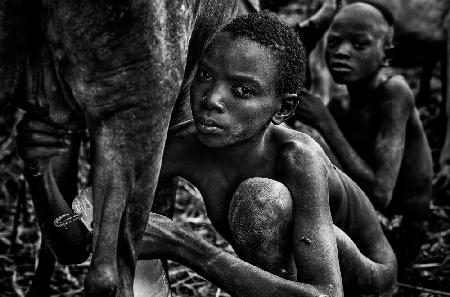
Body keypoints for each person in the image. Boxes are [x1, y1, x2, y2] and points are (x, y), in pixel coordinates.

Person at [18, 11, 397, 296]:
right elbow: (77, 245)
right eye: (204, 75)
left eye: (243, 91)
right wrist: (40, 175)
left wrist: (181, 244)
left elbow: (324, 295)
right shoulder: (183, 145)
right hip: (285, 275)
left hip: (366, 273)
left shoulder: (299, 158)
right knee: (136, 229)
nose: (211, 100)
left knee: (262, 201)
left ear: (282, 110)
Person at [294, 2, 433, 267]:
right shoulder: (339, 106)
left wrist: (324, 123)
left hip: (396, 235)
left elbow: (382, 196)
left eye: (359, 45)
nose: (342, 53)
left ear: (386, 56)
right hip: (361, 222)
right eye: (334, 43)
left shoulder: (395, 93)